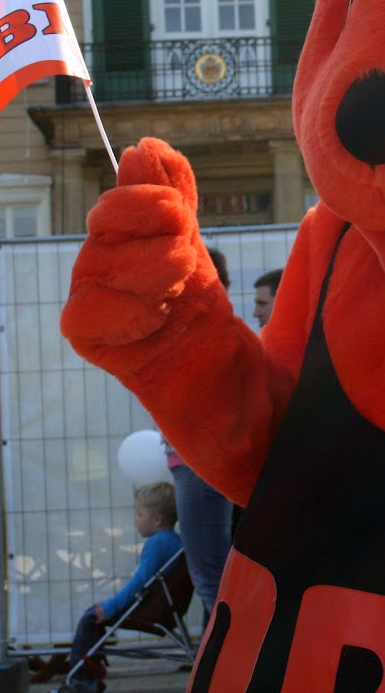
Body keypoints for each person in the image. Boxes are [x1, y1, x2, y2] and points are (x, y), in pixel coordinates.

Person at [165, 247, 236, 624]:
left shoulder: (203, 326)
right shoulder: (208, 323)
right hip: (197, 461)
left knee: (212, 577)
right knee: (213, 574)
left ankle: (239, 668)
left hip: (200, 462)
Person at [59, 480, 183, 693]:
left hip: (148, 610)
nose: (136, 520)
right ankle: (90, 671)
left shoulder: (157, 543)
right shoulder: (177, 542)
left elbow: (140, 582)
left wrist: (111, 606)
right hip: (162, 609)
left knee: (90, 617)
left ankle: (80, 678)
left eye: (140, 514)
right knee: (95, 618)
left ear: (157, 519)